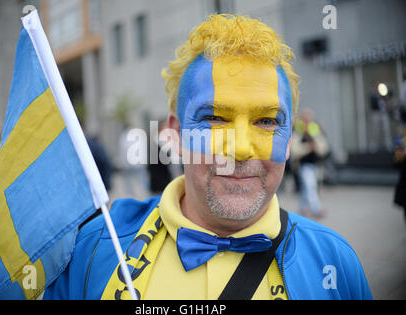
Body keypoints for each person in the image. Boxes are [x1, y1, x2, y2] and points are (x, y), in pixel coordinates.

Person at [44, 14, 372, 300]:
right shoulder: (94, 247)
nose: (241, 149)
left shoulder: (335, 261)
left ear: (287, 141)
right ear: (174, 134)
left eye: (267, 121)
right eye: (214, 118)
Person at [291, 108, 329, 218]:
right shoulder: (298, 133)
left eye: (309, 119)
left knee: (306, 188)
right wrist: (308, 147)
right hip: (303, 166)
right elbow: (295, 150)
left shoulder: (315, 131)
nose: (307, 122)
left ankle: (302, 209)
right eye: (305, 119)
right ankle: (317, 209)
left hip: (315, 165)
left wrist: (316, 145)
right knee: (310, 187)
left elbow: (323, 148)